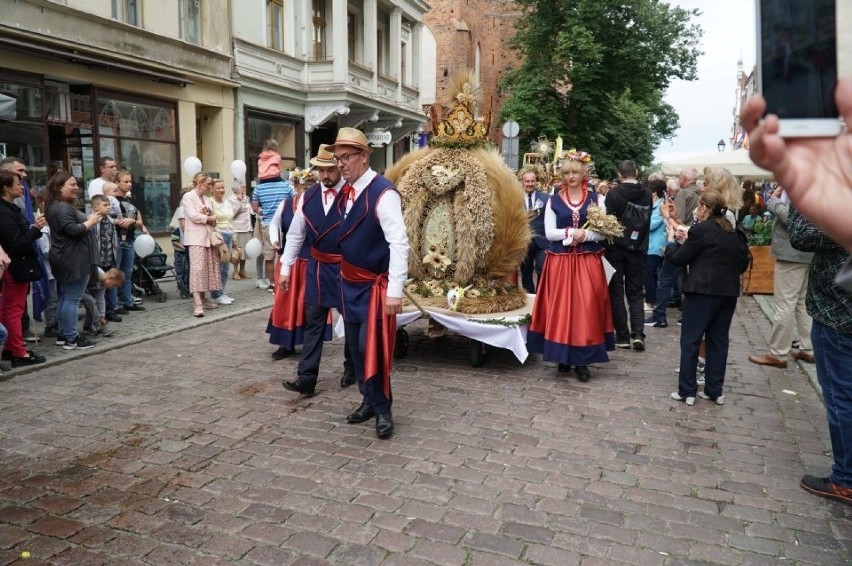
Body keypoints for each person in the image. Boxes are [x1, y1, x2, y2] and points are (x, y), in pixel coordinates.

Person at [742, 77, 852, 505]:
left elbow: (807, 231)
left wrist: (786, 200)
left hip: (838, 306)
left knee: (841, 394)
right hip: (831, 296)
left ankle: (845, 476)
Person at [331, 128, 409, 439]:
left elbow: (399, 243)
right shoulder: (347, 191)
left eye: (346, 157)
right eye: (338, 159)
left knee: (371, 347)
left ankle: (383, 408)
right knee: (354, 348)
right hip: (349, 285)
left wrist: (395, 291)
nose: (341, 164)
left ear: (364, 157)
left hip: (374, 287)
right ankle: (367, 399)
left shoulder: (383, 193)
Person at [527, 151, 615, 382]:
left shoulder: (597, 200)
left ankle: (582, 360)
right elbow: (549, 232)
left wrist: (584, 234)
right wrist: (570, 233)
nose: (571, 176)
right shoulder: (553, 200)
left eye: (575, 172)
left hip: (587, 261)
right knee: (562, 308)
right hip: (561, 262)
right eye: (566, 173)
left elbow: (603, 232)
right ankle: (562, 357)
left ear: (584, 172)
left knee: (586, 308)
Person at [278, 144, 356, 393]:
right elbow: (295, 234)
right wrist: (286, 268)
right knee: (313, 323)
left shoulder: (353, 195)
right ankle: (307, 378)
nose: (325, 176)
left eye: (330, 170)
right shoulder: (308, 197)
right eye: (321, 170)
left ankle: (351, 368)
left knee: (351, 321)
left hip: (346, 268)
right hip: (318, 268)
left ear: (339, 168)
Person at [668, 190, 749, 406]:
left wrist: (671, 242)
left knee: (691, 340)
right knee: (718, 341)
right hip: (728, 292)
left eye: (699, 206)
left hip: (702, 291)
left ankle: (687, 390)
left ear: (704, 208)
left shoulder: (701, 230)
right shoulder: (733, 231)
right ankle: (714, 390)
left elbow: (678, 259)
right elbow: (742, 262)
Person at [748, 187, 814, 369]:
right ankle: (807, 349)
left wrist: (773, 202)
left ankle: (778, 353)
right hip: (806, 253)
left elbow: (794, 219)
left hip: (792, 253)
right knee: (801, 303)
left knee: (785, 304)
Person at [44, 172, 101, 350]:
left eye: (77, 184)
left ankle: (64, 333)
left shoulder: (58, 206)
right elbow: (73, 230)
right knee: (72, 299)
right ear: (59, 187)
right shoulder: (61, 208)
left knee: (66, 297)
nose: (76, 188)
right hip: (72, 259)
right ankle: (71, 337)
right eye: (72, 185)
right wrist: (90, 222)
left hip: (67, 258)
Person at [0, 170, 48, 366]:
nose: (22, 187)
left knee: (9, 309)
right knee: (14, 310)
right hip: (15, 266)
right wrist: (35, 228)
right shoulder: (3, 211)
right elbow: (16, 243)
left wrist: (34, 229)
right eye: (18, 183)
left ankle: (11, 347)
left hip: (19, 264)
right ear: (5, 187)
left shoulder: (10, 208)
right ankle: (18, 352)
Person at [604, 160, 652, 351]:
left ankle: (622, 336)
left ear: (619, 174)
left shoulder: (614, 193)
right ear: (636, 172)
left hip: (615, 247)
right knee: (635, 292)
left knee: (616, 292)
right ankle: (638, 334)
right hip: (638, 248)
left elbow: (607, 221)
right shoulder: (647, 194)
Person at [252, 139, 295, 290]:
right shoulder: (286, 186)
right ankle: (286, 279)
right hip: (285, 222)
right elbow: (295, 201)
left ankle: (272, 283)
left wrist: (263, 210)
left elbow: (255, 207)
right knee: (286, 253)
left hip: (268, 224)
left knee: (269, 256)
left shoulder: (258, 189)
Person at [180, 173, 222, 317]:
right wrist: (209, 217)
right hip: (195, 239)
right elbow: (193, 216)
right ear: (200, 183)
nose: (210, 187)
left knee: (207, 269)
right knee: (197, 270)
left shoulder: (208, 200)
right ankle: (197, 303)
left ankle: (203, 299)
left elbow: (214, 218)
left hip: (208, 238)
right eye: (208, 184)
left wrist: (211, 218)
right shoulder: (188, 197)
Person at [113, 171, 146, 313]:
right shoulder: (113, 200)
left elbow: (140, 222)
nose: (129, 184)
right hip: (117, 238)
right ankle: (114, 305)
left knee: (127, 271)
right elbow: (105, 218)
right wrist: (120, 222)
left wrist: (132, 221)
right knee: (115, 271)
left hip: (130, 238)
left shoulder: (130, 200)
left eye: (130, 181)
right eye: (125, 182)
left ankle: (128, 301)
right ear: (117, 183)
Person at [518, 165, 549, 294]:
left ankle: (541, 298)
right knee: (525, 274)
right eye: (527, 181)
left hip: (542, 242)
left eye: (532, 181)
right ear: (522, 182)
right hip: (524, 244)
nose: (530, 184)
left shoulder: (545, 198)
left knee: (542, 269)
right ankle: (530, 301)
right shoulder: (516, 198)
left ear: (536, 182)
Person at [209, 179, 236, 305]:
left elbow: (231, 221)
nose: (221, 190)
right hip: (219, 236)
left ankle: (221, 292)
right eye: (218, 188)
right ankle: (216, 295)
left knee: (226, 267)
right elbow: (211, 222)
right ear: (212, 190)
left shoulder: (227, 202)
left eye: (222, 187)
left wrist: (234, 238)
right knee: (218, 267)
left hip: (229, 234)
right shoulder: (211, 202)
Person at [644, 180, 667, 313]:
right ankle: (653, 299)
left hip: (656, 245)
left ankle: (651, 301)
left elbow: (651, 225)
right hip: (651, 244)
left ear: (653, 193)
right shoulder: (654, 205)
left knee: (649, 274)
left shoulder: (660, 206)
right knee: (651, 274)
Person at [228, 182, 252, 280]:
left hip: (247, 227)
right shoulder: (230, 199)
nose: (245, 188)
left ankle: (242, 270)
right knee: (237, 251)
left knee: (245, 251)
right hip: (237, 228)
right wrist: (239, 201)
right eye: (242, 187)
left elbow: (249, 212)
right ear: (236, 189)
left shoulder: (247, 198)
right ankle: (235, 271)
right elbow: (232, 214)